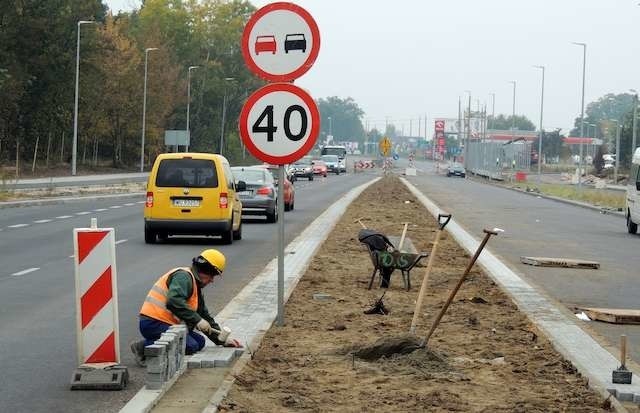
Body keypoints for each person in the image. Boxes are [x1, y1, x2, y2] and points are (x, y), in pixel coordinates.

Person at [130, 249, 242, 367]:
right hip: (153, 323)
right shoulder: (183, 277)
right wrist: (197, 320)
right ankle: (143, 347)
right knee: (190, 346)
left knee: (200, 342)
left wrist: (222, 340)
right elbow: (173, 301)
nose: (212, 280)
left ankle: (147, 345)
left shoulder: (195, 285)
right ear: (205, 270)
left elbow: (204, 315)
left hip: (167, 324)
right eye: (212, 275)